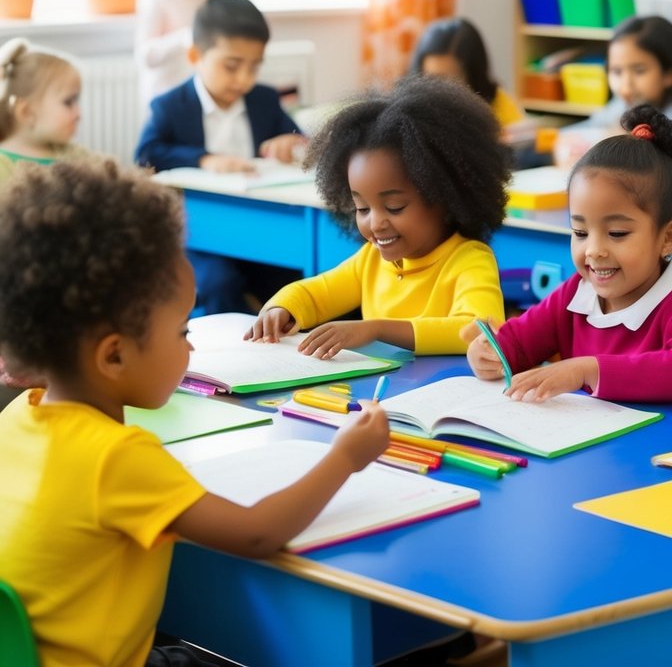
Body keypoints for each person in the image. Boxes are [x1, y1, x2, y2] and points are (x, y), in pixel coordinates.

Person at [0, 159, 390, 667]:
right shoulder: (118, 458)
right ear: (113, 355)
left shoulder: (14, 420)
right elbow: (257, 533)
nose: (191, 349)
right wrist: (345, 455)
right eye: (184, 331)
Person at [465, 103, 672, 404]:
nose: (594, 250)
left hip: (668, 448)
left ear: (668, 237)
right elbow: (518, 342)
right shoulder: (575, 294)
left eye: (617, 234)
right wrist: (489, 352)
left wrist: (588, 370)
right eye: (581, 233)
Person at [246, 74, 510, 356]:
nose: (375, 223)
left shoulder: (469, 260)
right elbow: (317, 293)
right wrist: (280, 307)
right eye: (362, 208)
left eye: (395, 207)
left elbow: (478, 331)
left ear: (445, 197)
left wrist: (375, 329)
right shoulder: (371, 260)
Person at [134, 0, 306, 313]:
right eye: (231, 66)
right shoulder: (171, 105)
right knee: (219, 283)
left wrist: (291, 143)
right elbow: (146, 154)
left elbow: (302, 141)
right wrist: (204, 159)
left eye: (254, 67)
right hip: (198, 236)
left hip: (262, 228)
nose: (244, 79)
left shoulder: (264, 100)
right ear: (195, 56)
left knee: (297, 285)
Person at [556, 15, 672, 168]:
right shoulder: (619, 106)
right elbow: (577, 132)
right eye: (616, 71)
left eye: (639, 70)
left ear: (670, 74)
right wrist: (569, 145)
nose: (626, 85)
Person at [408, 16, 525, 130]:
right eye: (431, 80)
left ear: (473, 75)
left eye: (450, 83)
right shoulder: (410, 111)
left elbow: (518, 139)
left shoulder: (499, 106)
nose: (440, 92)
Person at [0, 37, 88, 187]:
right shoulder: (3, 169)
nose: (79, 114)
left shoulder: (79, 157)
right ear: (26, 112)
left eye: (76, 101)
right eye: (68, 102)